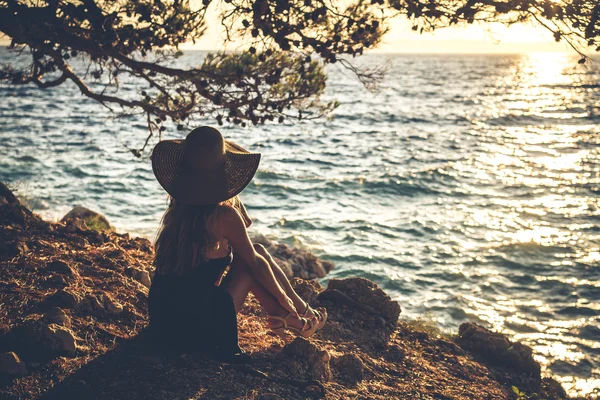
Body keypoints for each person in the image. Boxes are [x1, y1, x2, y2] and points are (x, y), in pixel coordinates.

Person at [147, 126, 327, 363]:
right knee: (251, 264)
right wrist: (286, 298)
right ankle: (292, 315)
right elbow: (253, 265)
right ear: (223, 170)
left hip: (165, 318)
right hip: (191, 329)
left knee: (258, 251)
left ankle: (291, 316)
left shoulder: (179, 207)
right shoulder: (223, 217)